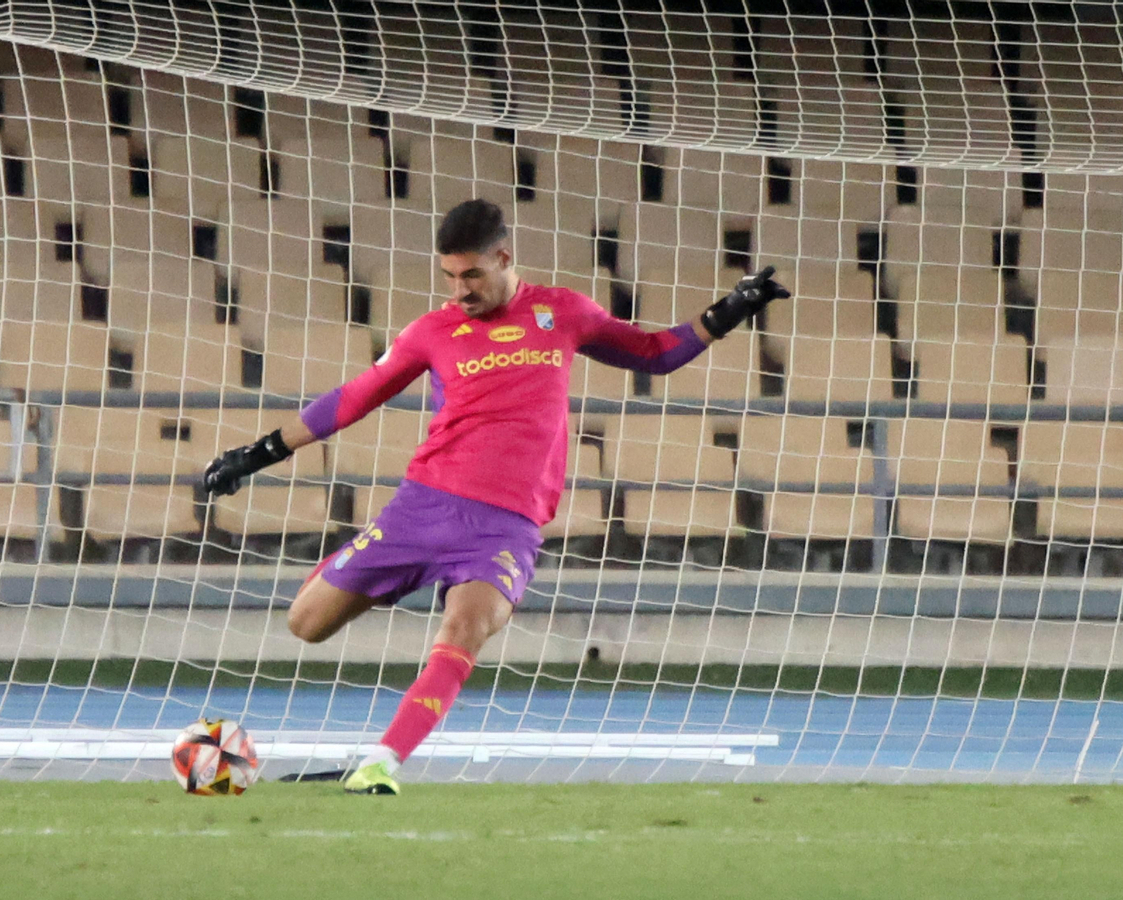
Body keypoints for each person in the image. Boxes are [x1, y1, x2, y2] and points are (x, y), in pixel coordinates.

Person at [203, 198, 788, 794]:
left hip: (503, 527)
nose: (460, 290)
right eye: (450, 277)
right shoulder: (431, 331)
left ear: (504, 258)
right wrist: (258, 453)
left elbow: (654, 353)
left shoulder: (562, 311)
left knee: (463, 630)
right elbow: (354, 397)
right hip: (423, 507)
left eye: (472, 275)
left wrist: (728, 311)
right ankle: (374, 575)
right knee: (305, 624)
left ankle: (380, 765)